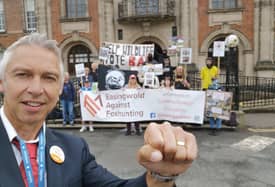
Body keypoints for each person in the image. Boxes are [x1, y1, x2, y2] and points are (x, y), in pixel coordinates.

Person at [0, 33, 197, 187]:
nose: (35, 89)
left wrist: (160, 177)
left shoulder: (75, 150)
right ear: (2, 82)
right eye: (23, 75)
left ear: (60, 87)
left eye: (49, 78)